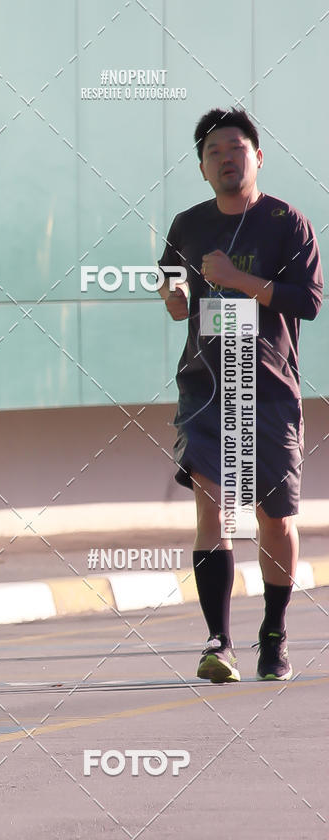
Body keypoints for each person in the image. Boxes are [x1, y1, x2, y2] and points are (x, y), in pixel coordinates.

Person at [157, 108, 323, 683]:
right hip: (207, 389)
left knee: (275, 520)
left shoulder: (287, 223)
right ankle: (218, 643)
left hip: (270, 391)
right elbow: (172, 280)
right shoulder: (188, 224)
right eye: (214, 153)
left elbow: (309, 301)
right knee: (214, 509)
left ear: (257, 157)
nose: (226, 159)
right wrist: (174, 298)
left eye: (236, 149)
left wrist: (238, 280)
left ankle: (273, 633)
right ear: (202, 168)